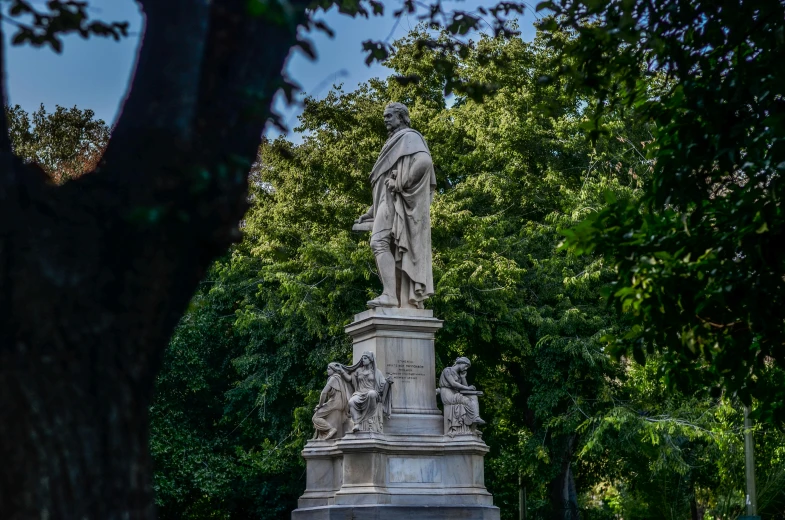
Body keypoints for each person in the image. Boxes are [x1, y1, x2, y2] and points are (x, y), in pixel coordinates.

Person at [355, 102, 436, 309]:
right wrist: (371, 212)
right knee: (384, 245)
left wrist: (401, 182)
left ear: (401, 117)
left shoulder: (409, 137)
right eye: (385, 116)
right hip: (386, 204)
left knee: (378, 243)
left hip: (396, 204)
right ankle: (394, 296)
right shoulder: (393, 142)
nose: (385, 119)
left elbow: (425, 162)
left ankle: (390, 295)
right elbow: (383, 186)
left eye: (389, 115)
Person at [338, 351, 393, 433]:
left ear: (370, 360)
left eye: (365, 358)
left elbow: (382, 385)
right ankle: (357, 423)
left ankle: (370, 419)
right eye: (362, 358)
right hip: (359, 393)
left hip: (371, 392)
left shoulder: (376, 372)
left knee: (372, 394)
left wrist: (388, 382)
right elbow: (349, 379)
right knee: (351, 401)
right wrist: (341, 371)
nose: (362, 360)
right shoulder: (358, 370)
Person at [438, 357, 486, 436]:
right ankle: (473, 421)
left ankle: (474, 423)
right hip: (447, 393)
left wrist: (463, 377)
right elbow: (453, 383)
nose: (466, 368)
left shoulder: (459, 375)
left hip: (455, 393)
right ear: (460, 363)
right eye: (466, 365)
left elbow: (465, 388)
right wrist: (468, 388)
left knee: (473, 397)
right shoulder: (447, 370)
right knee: (467, 401)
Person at [311, 362, 353, 440]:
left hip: (335, 403)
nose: (327, 370)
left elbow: (324, 392)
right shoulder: (340, 379)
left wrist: (320, 405)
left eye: (329, 368)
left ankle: (330, 429)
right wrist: (324, 404)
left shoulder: (333, 378)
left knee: (315, 417)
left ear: (333, 370)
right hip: (340, 404)